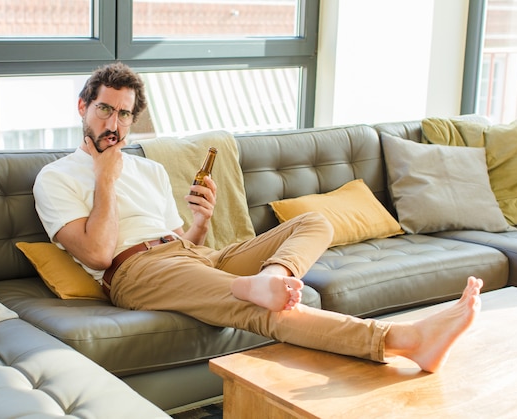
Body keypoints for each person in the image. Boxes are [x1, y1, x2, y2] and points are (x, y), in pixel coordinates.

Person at [33, 61, 484, 373]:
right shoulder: (56, 177)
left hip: (192, 256)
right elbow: (96, 252)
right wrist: (104, 177)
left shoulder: (149, 168)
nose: (114, 123)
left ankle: (271, 276)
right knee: (260, 310)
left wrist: (200, 224)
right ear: (83, 108)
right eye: (105, 109)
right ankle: (402, 340)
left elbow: (176, 239)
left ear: (134, 120)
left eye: (124, 114)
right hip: (134, 271)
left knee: (315, 222)